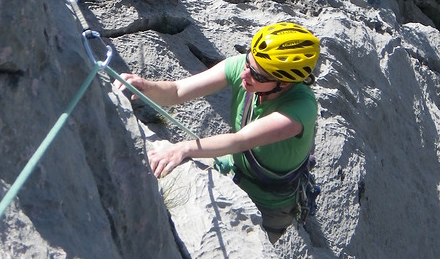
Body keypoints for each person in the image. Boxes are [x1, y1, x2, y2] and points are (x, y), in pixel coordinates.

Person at [117, 22, 320, 244]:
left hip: (269, 203)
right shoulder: (248, 69)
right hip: (234, 166)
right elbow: (178, 91)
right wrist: (146, 87)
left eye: (257, 75)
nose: (244, 74)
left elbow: (240, 141)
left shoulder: (301, 109)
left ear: (285, 83)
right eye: (248, 62)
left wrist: (184, 148)